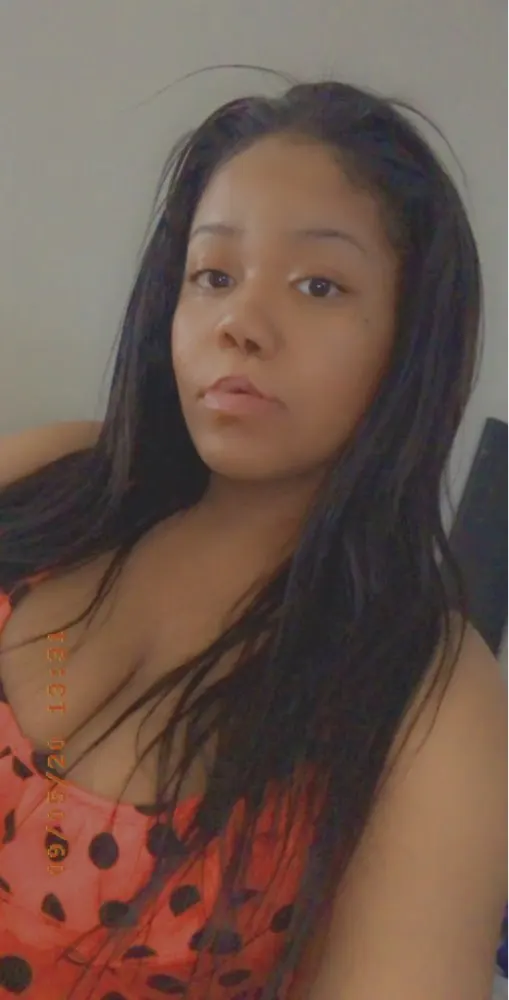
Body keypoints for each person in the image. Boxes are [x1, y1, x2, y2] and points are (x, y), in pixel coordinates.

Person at [0, 78, 506, 1000]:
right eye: (213, 275)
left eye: (319, 285)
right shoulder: (52, 478)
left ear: (409, 343)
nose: (239, 323)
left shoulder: (426, 697)